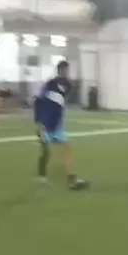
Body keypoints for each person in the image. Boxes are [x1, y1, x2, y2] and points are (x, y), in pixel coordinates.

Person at [34, 60, 89, 191]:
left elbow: (60, 103)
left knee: (66, 148)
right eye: (65, 70)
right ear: (60, 70)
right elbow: (39, 101)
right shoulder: (50, 84)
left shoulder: (68, 85)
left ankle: (71, 179)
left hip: (57, 123)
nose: (67, 72)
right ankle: (41, 175)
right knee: (45, 151)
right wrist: (38, 122)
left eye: (67, 70)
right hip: (45, 123)